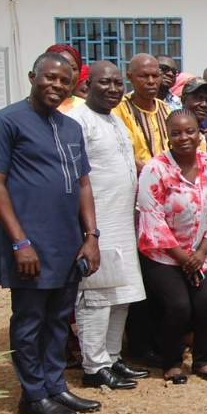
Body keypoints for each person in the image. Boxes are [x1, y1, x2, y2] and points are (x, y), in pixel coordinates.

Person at [0, 52, 101, 414]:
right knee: (30, 320)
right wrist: (20, 242)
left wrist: (91, 236)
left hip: (68, 242)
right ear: (33, 75)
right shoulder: (5, 122)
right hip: (30, 244)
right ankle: (33, 394)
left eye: (64, 81)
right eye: (49, 77)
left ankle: (55, 385)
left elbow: (84, 184)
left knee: (57, 319)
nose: (55, 85)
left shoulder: (70, 127)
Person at [67, 61, 148, 390]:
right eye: (105, 83)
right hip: (97, 224)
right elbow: (74, 179)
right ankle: (93, 365)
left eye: (117, 83)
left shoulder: (116, 120)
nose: (113, 88)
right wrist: (87, 231)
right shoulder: (77, 121)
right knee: (96, 296)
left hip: (123, 221)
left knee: (120, 295)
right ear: (88, 85)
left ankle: (112, 357)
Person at [137, 110, 207, 384]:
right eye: (176, 133)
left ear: (200, 132)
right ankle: (172, 363)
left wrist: (200, 253)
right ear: (168, 136)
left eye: (189, 131)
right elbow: (153, 219)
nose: (184, 137)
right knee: (178, 307)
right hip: (163, 254)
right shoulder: (155, 169)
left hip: (200, 252)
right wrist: (184, 257)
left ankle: (202, 361)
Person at [112, 53, 174, 169]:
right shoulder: (120, 108)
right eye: (144, 76)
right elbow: (124, 151)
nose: (151, 81)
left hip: (166, 179)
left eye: (155, 76)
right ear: (130, 77)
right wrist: (151, 174)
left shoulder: (164, 108)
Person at [45, 44, 86, 114]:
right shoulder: (39, 106)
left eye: (73, 69)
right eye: (59, 68)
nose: (67, 74)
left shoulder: (86, 107)